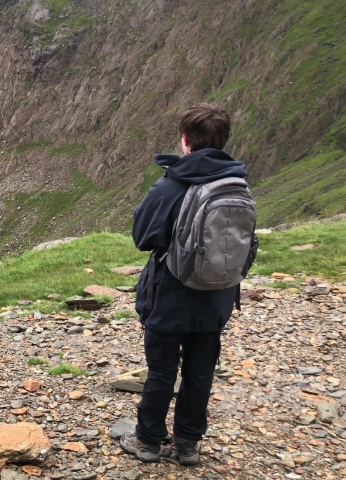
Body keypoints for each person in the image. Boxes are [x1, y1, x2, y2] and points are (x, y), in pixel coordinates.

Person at [120, 103, 249, 465]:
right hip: (216, 298)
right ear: (224, 140)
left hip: (171, 297)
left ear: (185, 140)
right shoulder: (236, 183)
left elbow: (143, 236)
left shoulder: (172, 183)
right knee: (200, 371)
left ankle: (148, 441)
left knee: (162, 371)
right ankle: (189, 444)